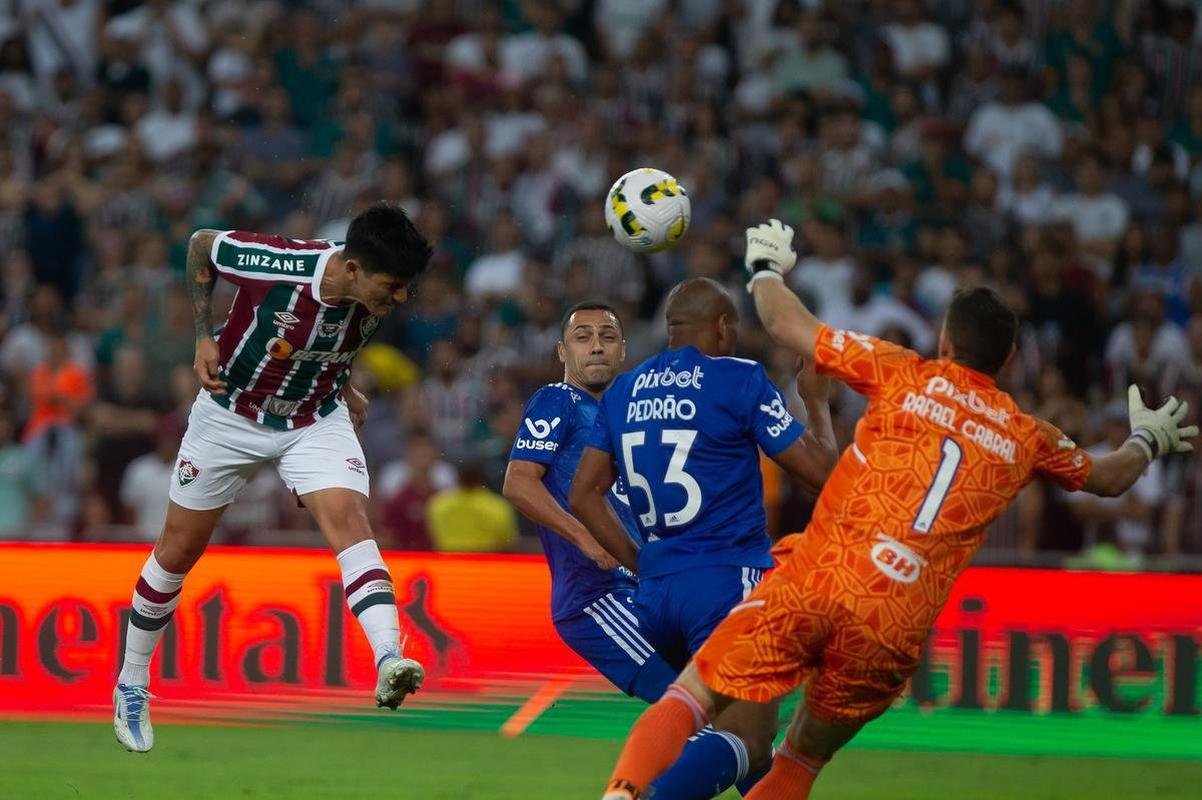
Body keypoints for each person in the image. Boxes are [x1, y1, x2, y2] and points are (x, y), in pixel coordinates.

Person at [598, 220, 1197, 800]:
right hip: (892, 625)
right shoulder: (1026, 435)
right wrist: (1146, 438)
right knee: (797, 762)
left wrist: (765, 266)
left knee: (690, 698)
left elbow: (783, 320)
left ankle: (623, 794)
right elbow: (1110, 477)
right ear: (1009, 359)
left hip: (818, 579)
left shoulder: (902, 373)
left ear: (944, 343)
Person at [112, 203, 433, 753]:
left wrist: (343, 381)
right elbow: (199, 244)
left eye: (405, 287)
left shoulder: (370, 292)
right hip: (230, 412)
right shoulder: (277, 263)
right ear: (352, 269)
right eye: (392, 286)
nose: (399, 297)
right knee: (178, 550)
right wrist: (202, 336)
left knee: (353, 524)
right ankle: (132, 681)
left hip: (314, 418)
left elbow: (329, 336)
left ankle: (388, 658)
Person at [571, 278, 839, 795]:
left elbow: (585, 494)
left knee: (742, 742)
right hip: (726, 583)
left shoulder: (624, 390)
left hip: (656, 596)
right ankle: (632, 793)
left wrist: (640, 562)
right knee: (750, 742)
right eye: (734, 327)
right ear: (721, 327)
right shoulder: (738, 379)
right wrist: (817, 401)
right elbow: (820, 474)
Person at [507, 301, 765, 798]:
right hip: (598, 600)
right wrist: (585, 537)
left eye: (607, 335)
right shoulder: (557, 400)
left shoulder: (626, 416)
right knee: (711, 720)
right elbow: (520, 483)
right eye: (583, 336)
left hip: (649, 591)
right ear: (562, 351)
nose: (597, 344)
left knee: (744, 723)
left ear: (624, 350)